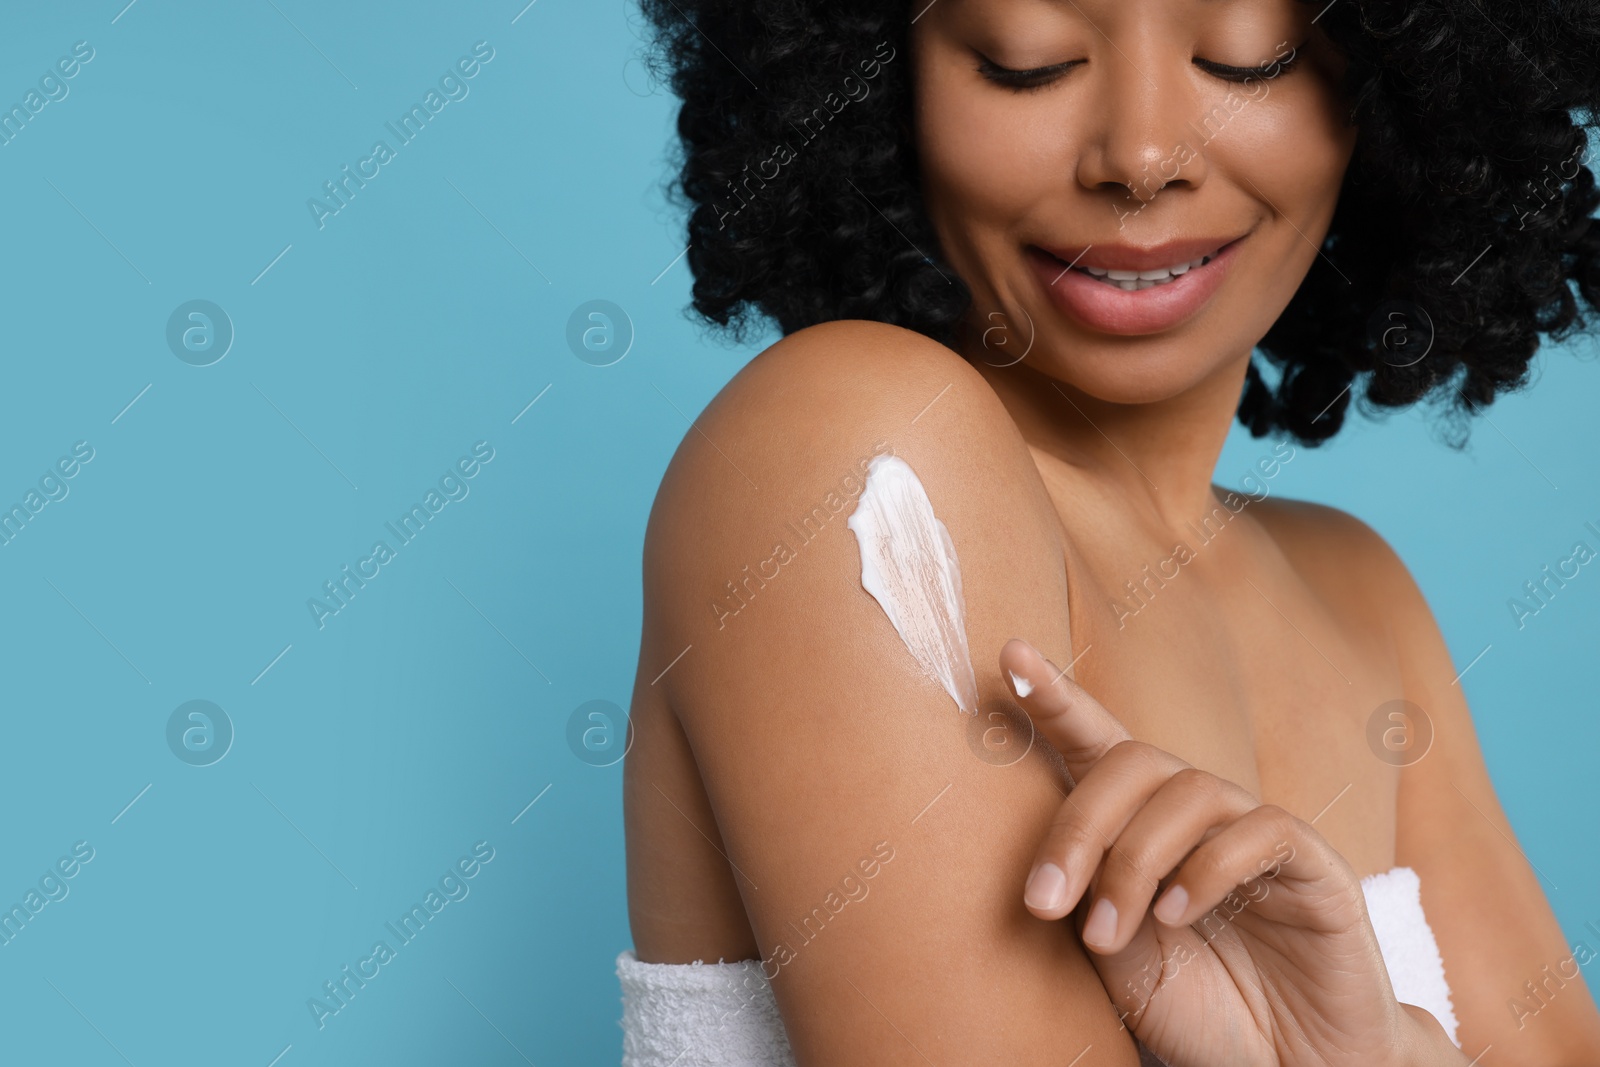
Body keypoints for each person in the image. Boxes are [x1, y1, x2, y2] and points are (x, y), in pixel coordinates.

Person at [620, 0, 1600, 1063]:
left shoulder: (1359, 593)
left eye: (1246, 57)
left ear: (1391, 86)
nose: (1141, 156)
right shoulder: (854, 461)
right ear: (885, 85)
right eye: (1025, 63)